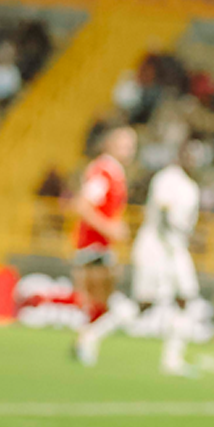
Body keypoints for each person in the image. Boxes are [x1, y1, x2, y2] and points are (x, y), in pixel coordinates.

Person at [132, 144, 202, 375]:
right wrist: (171, 243)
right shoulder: (168, 178)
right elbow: (162, 214)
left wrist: (189, 239)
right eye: (188, 155)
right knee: (144, 304)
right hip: (157, 246)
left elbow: (185, 222)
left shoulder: (192, 187)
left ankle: (172, 359)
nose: (191, 160)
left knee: (186, 297)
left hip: (176, 247)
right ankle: (92, 336)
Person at [70, 126, 134, 368]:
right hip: (92, 248)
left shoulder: (114, 173)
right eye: (124, 144)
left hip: (100, 248)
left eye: (131, 145)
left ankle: (86, 343)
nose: (129, 150)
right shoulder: (104, 172)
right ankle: (86, 342)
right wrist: (110, 228)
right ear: (110, 144)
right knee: (106, 305)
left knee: (102, 305)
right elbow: (82, 205)